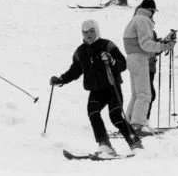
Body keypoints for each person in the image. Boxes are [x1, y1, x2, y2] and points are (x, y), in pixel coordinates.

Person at [50, 20, 142, 155]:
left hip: (112, 87)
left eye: (92, 31)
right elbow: (75, 70)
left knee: (115, 116)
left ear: (97, 31)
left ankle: (136, 144)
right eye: (85, 32)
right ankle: (104, 144)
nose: (89, 34)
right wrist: (62, 79)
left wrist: (111, 61)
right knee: (93, 112)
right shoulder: (80, 51)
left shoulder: (107, 45)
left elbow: (122, 64)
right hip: (96, 90)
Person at [123, 0, 175, 135]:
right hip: (139, 58)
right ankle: (137, 126)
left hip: (132, 58)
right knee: (145, 95)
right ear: (151, 10)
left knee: (136, 94)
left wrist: (163, 43)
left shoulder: (135, 18)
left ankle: (128, 123)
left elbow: (143, 43)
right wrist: (164, 46)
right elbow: (145, 44)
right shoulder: (143, 20)